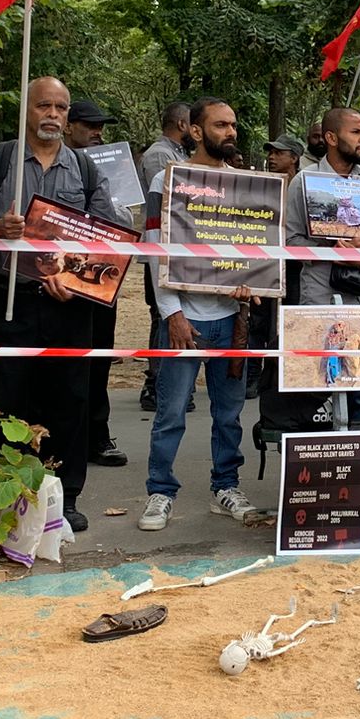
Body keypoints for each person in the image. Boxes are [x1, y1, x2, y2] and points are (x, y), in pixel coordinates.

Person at [0, 77, 127, 532]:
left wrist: (75, 282)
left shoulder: (86, 170)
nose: (52, 115)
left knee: (69, 399)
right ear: (26, 111)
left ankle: (63, 498)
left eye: (60, 107)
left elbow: (104, 237)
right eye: (43, 106)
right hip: (6, 301)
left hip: (67, 308)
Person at [140, 97, 258, 530]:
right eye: (221, 125)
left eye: (233, 125)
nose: (230, 132)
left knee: (229, 414)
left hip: (231, 318)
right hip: (183, 317)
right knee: (171, 413)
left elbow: (254, 246)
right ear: (194, 130)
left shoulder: (246, 185)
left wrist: (253, 281)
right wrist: (172, 313)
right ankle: (160, 492)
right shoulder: (166, 180)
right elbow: (155, 251)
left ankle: (226, 487)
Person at [283, 106, 360, 427]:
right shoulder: (304, 182)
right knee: (318, 383)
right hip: (321, 297)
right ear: (330, 137)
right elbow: (290, 241)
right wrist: (331, 250)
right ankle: (321, 453)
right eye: (355, 132)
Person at [61, 99, 128, 469]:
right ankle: (58, 439)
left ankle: (97, 435)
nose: (97, 132)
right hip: (58, 278)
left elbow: (121, 222)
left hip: (100, 276)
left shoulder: (108, 167)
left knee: (98, 358)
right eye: (89, 125)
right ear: (68, 126)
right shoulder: (52, 165)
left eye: (100, 126)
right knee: (61, 363)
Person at [136, 102, 192, 413]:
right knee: (163, 316)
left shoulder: (178, 153)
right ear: (183, 125)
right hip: (161, 250)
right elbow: (170, 203)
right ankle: (156, 385)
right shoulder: (160, 155)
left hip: (181, 253)